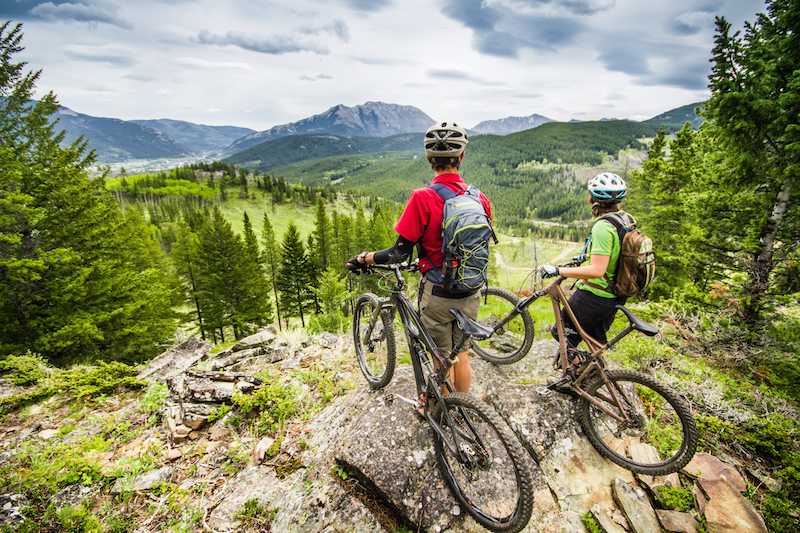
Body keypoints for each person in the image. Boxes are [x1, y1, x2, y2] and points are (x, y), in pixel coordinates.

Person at [346, 122, 492, 394]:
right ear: (462, 156)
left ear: (429, 159)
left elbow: (398, 253)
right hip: (471, 288)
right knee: (462, 354)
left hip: (438, 293)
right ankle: (462, 407)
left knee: (441, 358)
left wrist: (366, 258)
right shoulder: (479, 198)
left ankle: (443, 413)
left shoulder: (422, 198)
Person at [539, 172, 633, 350]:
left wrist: (558, 270)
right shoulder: (625, 219)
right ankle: (597, 376)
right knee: (593, 340)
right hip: (616, 294)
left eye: (590, 193)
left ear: (595, 200)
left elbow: (597, 270)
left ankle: (574, 374)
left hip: (595, 295)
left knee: (562, 332)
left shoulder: (603, 227)